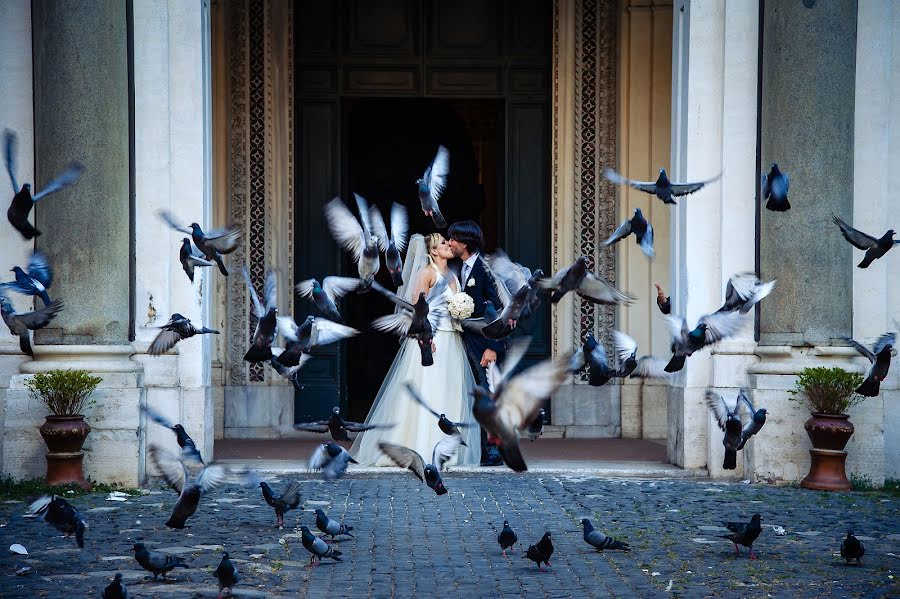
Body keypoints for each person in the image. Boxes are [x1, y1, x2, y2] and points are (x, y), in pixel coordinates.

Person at [350, 233, 480, 466]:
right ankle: (421, 445)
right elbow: (416, 310)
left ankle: (446, 450)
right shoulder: (427, 273)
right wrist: (425, 337)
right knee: (428, 389)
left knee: (450, 390)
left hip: (453, 341)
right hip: (432, 340)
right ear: (433, 251)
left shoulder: (454, 274)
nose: (448, 245)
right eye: (443, 243)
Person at [446, 220, 506, 467]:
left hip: (484, 345)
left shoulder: (485, 270)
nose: (449, 243)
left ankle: (493, 449)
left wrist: (494, 347)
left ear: (465, 243)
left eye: (453, 239)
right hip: (463, 342)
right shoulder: (458, 268)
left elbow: (502, 311)